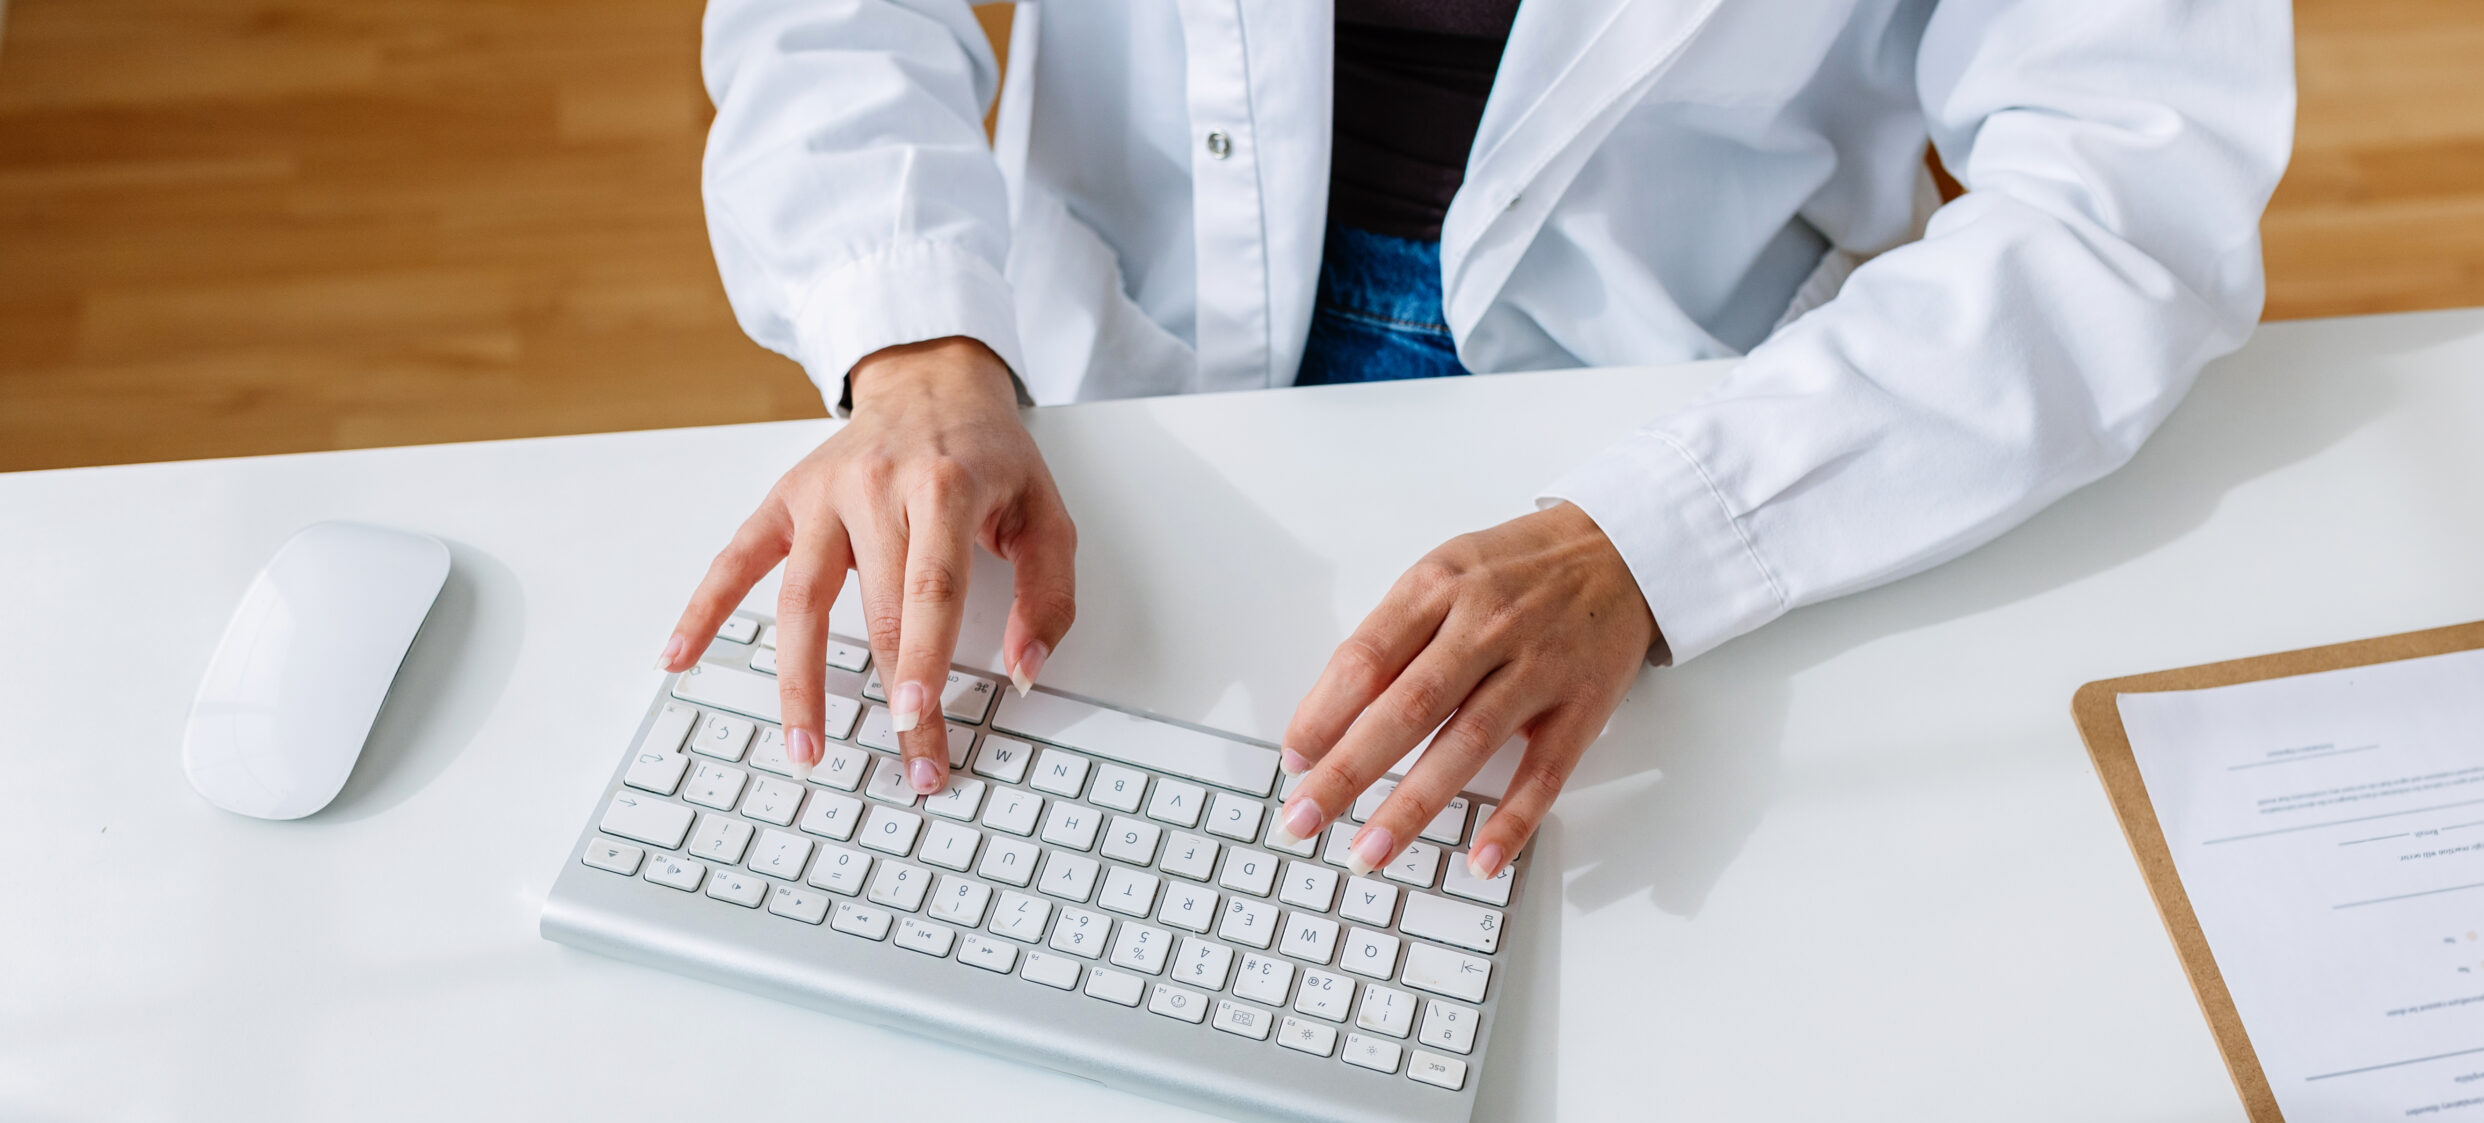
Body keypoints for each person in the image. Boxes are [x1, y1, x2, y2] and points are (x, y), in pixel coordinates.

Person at [663, 0, 2291, 884]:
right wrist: (915, 343)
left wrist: (1662, 537)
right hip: (1099, 362)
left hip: (1698, 410)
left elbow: (2134, 197)